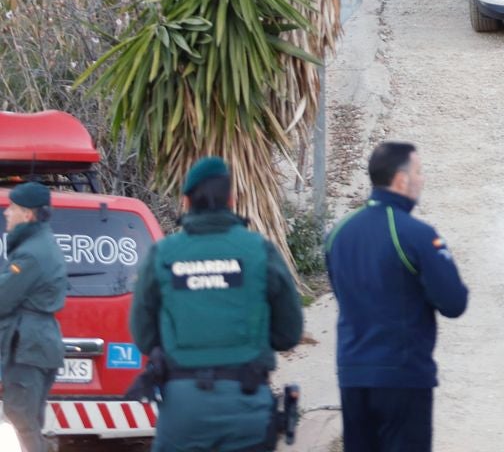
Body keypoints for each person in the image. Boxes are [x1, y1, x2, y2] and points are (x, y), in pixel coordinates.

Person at [130, 157, 303, 452]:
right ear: (232, 199)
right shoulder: (260, 251)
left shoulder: (162, 254)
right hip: (246, 407)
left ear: (185, 202)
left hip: (183, 411)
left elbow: (143, 337)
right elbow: (288, 333)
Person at [325, 141, 468, 452]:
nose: (422, 179)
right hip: (402, 376)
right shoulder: (416, 233)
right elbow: (454, 303)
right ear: (401, 180)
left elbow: (340, 290)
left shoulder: (338, 233)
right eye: (419, 172)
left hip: (352, 374)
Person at [0, 182, 68, 452]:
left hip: (29, 347)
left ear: (28, 214)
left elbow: (3, 297)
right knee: (28, 423)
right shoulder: (39, 244)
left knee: (21, 423)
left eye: (12, 208)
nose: (6, 213)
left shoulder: (32, 253)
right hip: (35, 344)